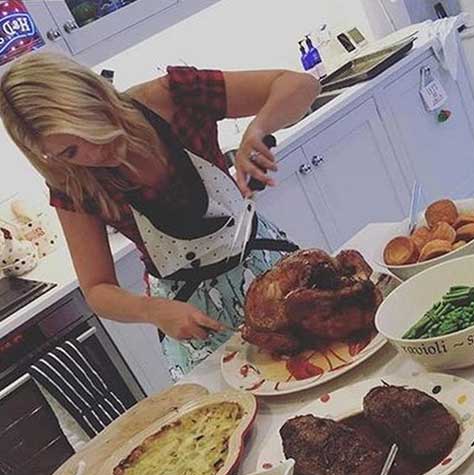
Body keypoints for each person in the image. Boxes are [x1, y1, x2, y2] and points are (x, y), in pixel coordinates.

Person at [0, 52, 320, 379]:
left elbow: (301, 84)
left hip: (269, 276)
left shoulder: (175, 96)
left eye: (89, 125)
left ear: (96, 94)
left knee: (324, 363)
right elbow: (97, 289)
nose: (93, 151)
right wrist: (152, 311)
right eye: (70, 151)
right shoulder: (72, 182)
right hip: (192, 313)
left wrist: (259, 127)